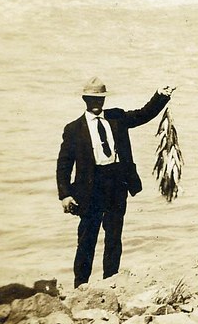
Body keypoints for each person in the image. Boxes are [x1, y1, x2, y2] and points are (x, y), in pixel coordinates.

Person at [56, 77, 173, 288]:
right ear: (84, 98)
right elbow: (64, 164)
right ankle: (80, 286)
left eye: (100, 98)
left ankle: (111, 282)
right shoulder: (73, 129)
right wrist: (65, 194)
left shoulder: (117, 117)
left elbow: (143, 114)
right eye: (92, 98)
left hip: (117, 184)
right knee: (86, 239)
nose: (97, 102)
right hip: (89, 189)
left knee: (114, 236)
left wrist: (161, 95)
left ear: (104, 100)